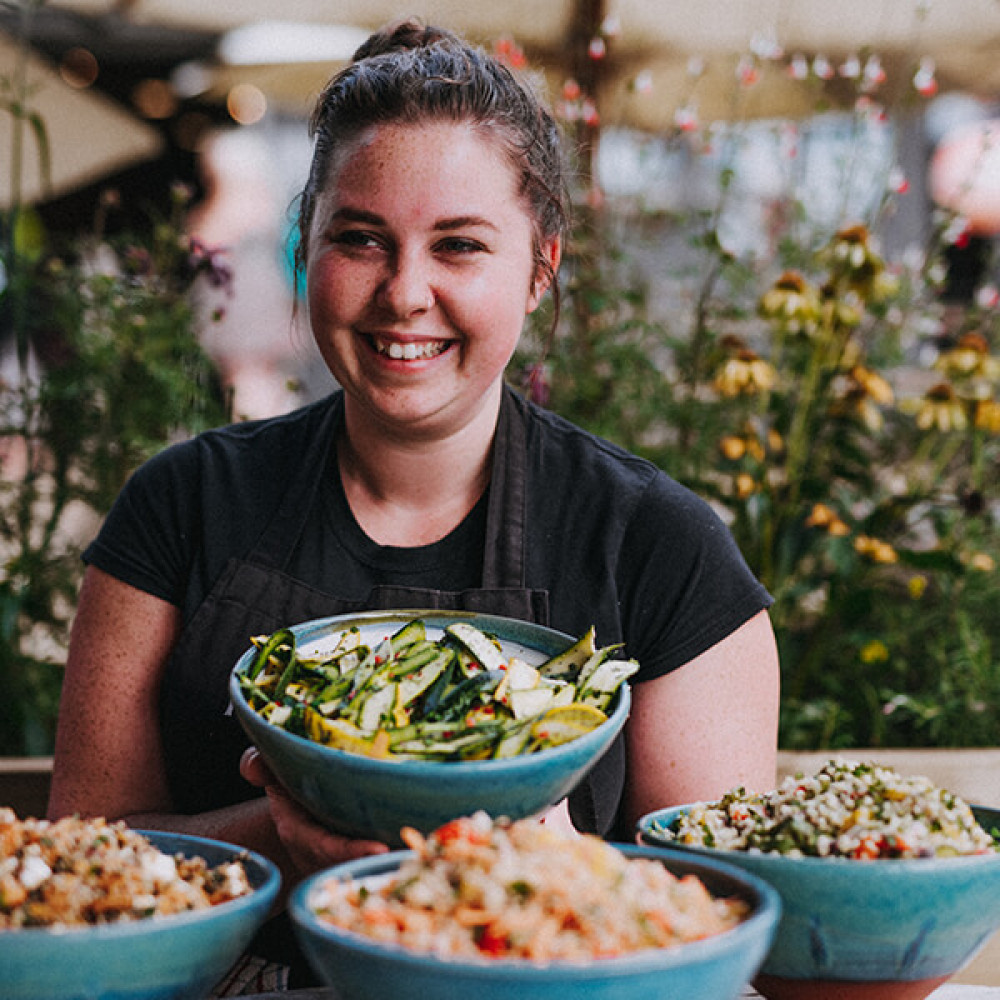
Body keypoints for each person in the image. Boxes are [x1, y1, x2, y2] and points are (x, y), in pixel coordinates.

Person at [47, 18, 780, 988]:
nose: (404, 293)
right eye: (360, 238)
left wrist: (546, 858)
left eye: (460, 246)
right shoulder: (181, 505)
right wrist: (276, 836)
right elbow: (78, 865)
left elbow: (715, 928)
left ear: (538, 270)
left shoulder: (659, 546)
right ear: (306, 246)